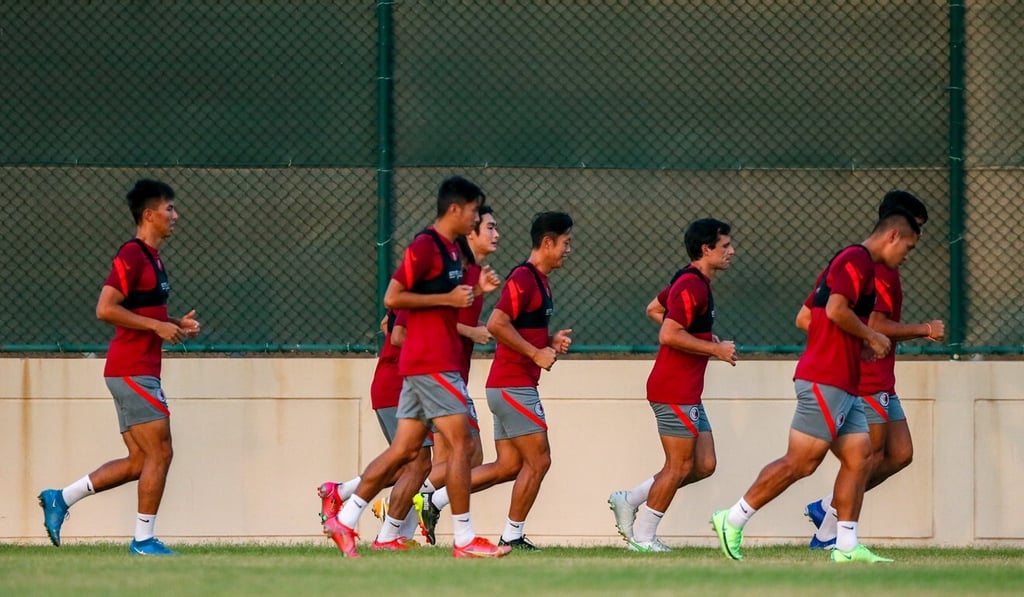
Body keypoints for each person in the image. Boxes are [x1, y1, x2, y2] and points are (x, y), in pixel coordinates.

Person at [711, 210, 921, 564]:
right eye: (909, 247)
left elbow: (810, 315)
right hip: (826, 378)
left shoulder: (852, 264)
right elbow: (838, 310)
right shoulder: (855, 260)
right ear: (893, 237)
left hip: (846, 381)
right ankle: (732, 519)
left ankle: (846, 545)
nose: (907, 255)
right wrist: (871, 335)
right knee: (801, 462)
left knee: (860, 459)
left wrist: (855, 343)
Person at [322, 176, 508, 559]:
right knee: (463, 444)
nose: (477, 220)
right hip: (430, 362)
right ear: (455, 209)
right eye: (475, 212)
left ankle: (346, 514)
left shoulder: (452, 252)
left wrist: (475, 293)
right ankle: (464, 538)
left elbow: (444, 302)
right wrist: (450, 297)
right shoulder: (425, 246)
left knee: (406, 452)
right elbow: (394, 297)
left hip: (429, 363)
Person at [38, 179, 200, 556]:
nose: (176, 215)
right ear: (149, 215)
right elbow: (106, 308)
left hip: (138, 369)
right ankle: (143, 541)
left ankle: (61, 497)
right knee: (161, 453)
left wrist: (174, 322)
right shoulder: (131, 254)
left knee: (141, 460)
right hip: (131, 369)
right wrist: (157, 327)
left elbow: (142, 311)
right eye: (169, 209)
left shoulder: (153, 258)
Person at [417, 211, 574, 551]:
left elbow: (520, 329)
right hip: (512, 384)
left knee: (509, 465)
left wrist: (550, 342)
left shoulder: (540, 281)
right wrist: (535, 354)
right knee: (540, 460)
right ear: (547, 243)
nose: (568, 250)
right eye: (566, 243)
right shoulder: (524, 278)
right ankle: (512, 535)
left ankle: (436, 500)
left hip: (509, 385)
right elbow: (498, 323)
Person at [799, 191, 944, 549]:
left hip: (882, 379)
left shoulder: (861, 264)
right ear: (895, 229)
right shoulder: (873, 268)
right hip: (868, 378)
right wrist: (924, 330)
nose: (917, 242)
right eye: (914, 232)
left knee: (900, 454)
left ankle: (827, 510)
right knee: (863, 457)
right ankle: (830, 533)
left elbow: (807, 318)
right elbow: (876, 323)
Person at [609, 218, 737, 552]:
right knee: (678, 466)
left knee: (704, 464)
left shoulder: (694, 281)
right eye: (725, 246)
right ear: (706, 249)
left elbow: (655, 309)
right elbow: (668, 332)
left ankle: (630, 498)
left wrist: (702, 338)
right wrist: (714, 349)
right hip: (673, 389)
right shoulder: (691, 284)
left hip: (687, 390)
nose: (731, 251)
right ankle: (644, 537)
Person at [414, 205, 501, 544]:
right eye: (490, 228)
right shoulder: (456, 270)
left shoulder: (474, 272)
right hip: (441, 373)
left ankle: (399, 517)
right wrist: (472, 331)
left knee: (433, 458)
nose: (496, 235)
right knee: (471, 454)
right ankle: (402, 502)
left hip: (448, 374)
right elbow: (432, 318)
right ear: (471, 233)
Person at [317, 309, 424, 547]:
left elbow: (386, 323)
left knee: (416, 463)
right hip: (400, 386)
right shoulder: (419, 290)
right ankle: (381, 529)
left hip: (411, 385)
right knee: (419, 463)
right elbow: (396, 334)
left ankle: (345, 496)